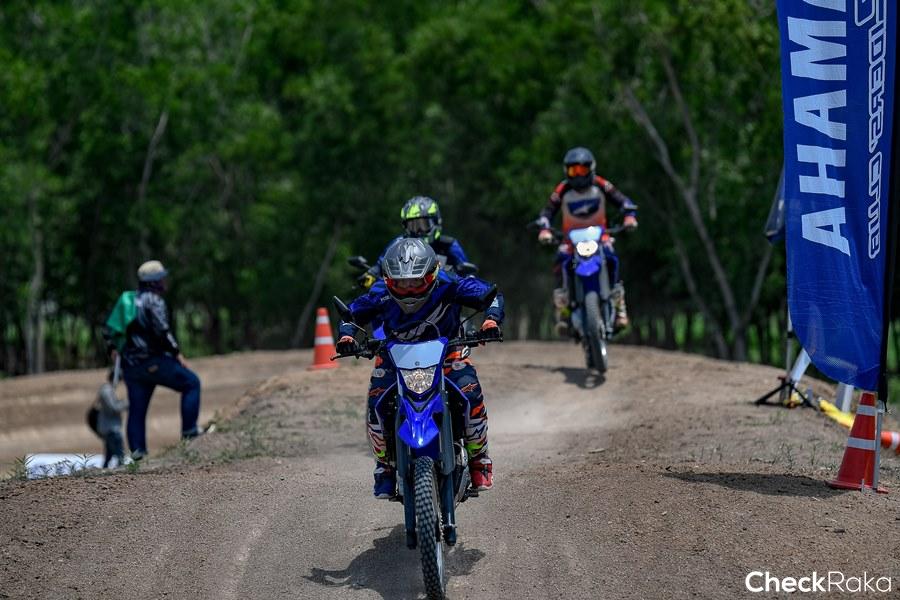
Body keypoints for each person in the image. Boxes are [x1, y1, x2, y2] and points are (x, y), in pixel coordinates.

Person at [336, 238, 503, 498]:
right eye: (401, 283)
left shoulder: (450, 283)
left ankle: (479, 458)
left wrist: (491, 321)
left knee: (471, 394)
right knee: (376, 406)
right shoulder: (380, 292)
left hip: (448, 352)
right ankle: (384, 466)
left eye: (415, 281)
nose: (409, 290)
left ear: (431, 274)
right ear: (389, 279)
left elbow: (491, 295)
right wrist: (347, 336)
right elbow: (351, 314)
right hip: (393, 357)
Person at [103, 260, 202, 460]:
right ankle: (190, 433)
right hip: (153, 361)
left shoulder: (127, 301)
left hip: (131, 368)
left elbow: (108, 330)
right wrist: (176, 353)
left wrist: (112, 348)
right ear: (154, 282)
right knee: (192, 383)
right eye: (162, 278)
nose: (165, 281)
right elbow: (162, 331)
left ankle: (138, 454)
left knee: (137, 410)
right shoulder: (154, 301)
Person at [535, 146, 638, 334]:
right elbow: (547, 212)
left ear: (591, 168)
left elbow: (623, 201)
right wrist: (544, 229)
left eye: (582, 170)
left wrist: (629, 217)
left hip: (600, 237)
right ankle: (563, 311)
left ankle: (619, 305)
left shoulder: (601, 185)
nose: (577, 175)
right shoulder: (563, 189)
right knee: (561, 263)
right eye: (573, 170)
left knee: (611, 258)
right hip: (571, 241)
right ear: (566, 171)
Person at [357, 196, 470, 290]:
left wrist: (461, 275)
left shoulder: (449, 245)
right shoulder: (399, 244)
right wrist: (372, 274)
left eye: (424, 225)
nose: (419, 231)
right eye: (413, 226)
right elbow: (381, 264)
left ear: (436, 221)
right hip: (404, 296)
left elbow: (467, 273)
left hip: (442, 299)